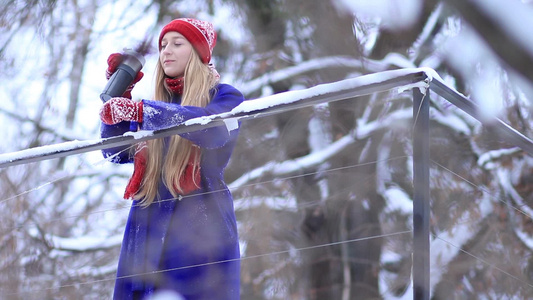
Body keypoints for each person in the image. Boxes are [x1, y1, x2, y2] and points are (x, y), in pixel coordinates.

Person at [99, 18, 243, 300]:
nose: (166, 51)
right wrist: (117, 104)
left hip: (201, 228)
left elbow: (212, 130)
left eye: (177, 44)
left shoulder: (224, 96)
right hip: (146, 228)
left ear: (199, 53)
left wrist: (141, 111)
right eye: (163, 45)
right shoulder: (153, 107)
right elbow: (115, 152)